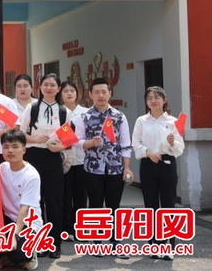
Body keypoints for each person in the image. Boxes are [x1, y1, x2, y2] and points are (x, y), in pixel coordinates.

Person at [75, 77, 133, 259]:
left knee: (114, 205)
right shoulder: (84, 117)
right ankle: (97, 242)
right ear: (90, 94)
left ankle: (115, 242)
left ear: (110, 93)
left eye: (104, 92)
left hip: (115, 168)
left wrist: (127, 168)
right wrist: (91, 143)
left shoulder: (119, 116)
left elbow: (126, 144)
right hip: (93, 169)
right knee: (95, 206)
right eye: (97, 92)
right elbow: (77, 142)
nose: (101, 95)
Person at [15, 73, 68, 259]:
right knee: (35, 202)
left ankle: (55, 244)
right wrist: (35, 139)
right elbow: (21, 134)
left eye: (52, 85)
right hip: (34, 156)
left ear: (58, 88)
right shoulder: (32, 108)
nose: (49, 88)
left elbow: (68, 138)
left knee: (54, 201)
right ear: (40, 87)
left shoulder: (63, 111)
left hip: (53, 157)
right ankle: (39, 242)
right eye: (45, 84)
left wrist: (59, 147)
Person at [131, 86, 184, 260]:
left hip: (167, 163)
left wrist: (172, 143)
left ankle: (169, 246)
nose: (153, 101)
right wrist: (147, 152)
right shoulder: (141, 121)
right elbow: (135, 143)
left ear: (164, 100)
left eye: (156, 97)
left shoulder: (173, 121)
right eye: (149, 98)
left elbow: (180, 147)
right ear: (146, 102)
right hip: (148, 164)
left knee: (168, 205)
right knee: (151, 205)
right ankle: (154, 244)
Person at [0, 129, 41, 271]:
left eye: (15, 147)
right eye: (6, 147)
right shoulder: (2, 168)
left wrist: (15, 235)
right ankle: (2, 257)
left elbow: (24, 209)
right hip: (8, 218)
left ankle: (30, 253)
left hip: (28, 223)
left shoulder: (31, 175)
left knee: (19, 256)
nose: (10, 150)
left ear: (24, 149)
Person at [59, 80, 88, 241]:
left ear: (78, 93)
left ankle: (80, 228)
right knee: (65, 195)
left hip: (82, 160)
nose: (69, 93)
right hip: (64, 160)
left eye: (72, 90)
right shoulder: (58, 112)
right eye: (65, 91)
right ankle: (67, 228)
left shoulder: (86, 112)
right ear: (60, 94)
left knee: (81, 196)